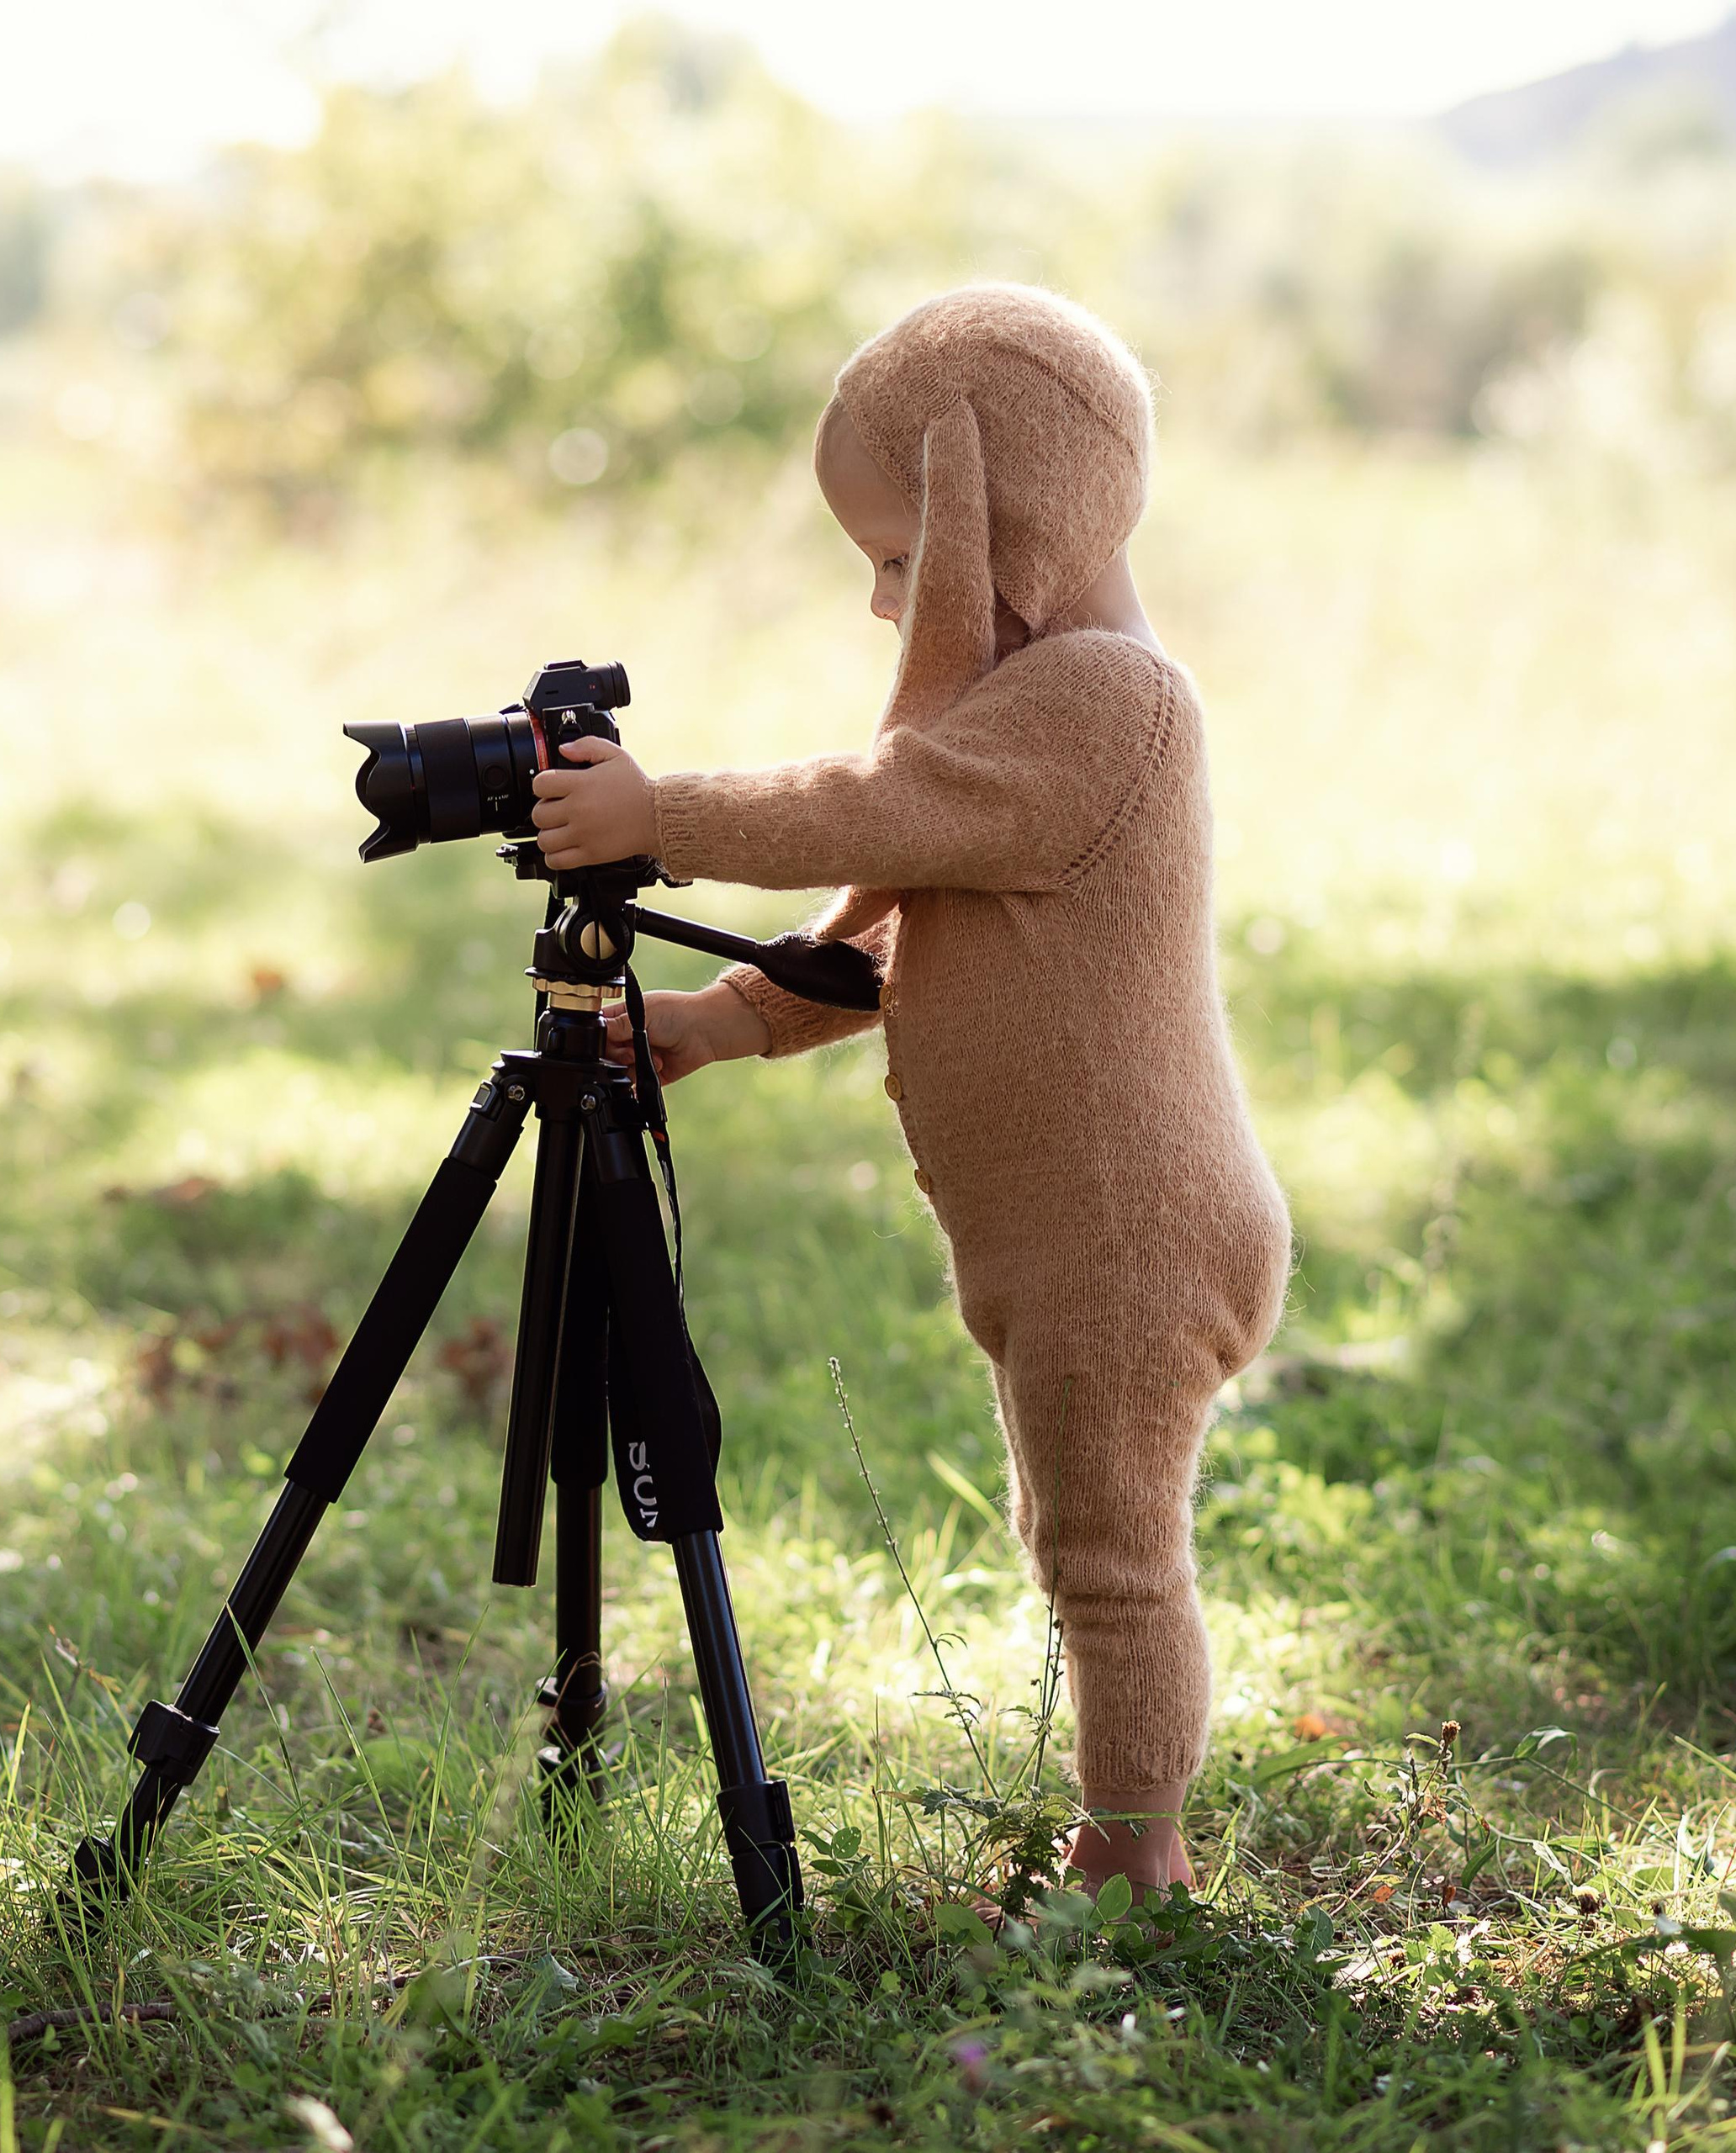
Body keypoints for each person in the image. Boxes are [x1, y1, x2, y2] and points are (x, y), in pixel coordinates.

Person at [527, 284, 1292, 1902]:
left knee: (1111, 1560)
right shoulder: (1036, 712)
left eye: (899, 554)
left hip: (1130, 1234)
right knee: (1073, 1535)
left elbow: (879, 804)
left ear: (1003, 521)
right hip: (1067, 1237)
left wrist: (660, 815)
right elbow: (888, 918)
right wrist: (721, 1022)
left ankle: (1136, 1863)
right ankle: (1122, 1822)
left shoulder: (1109, 702)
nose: (886, 604)